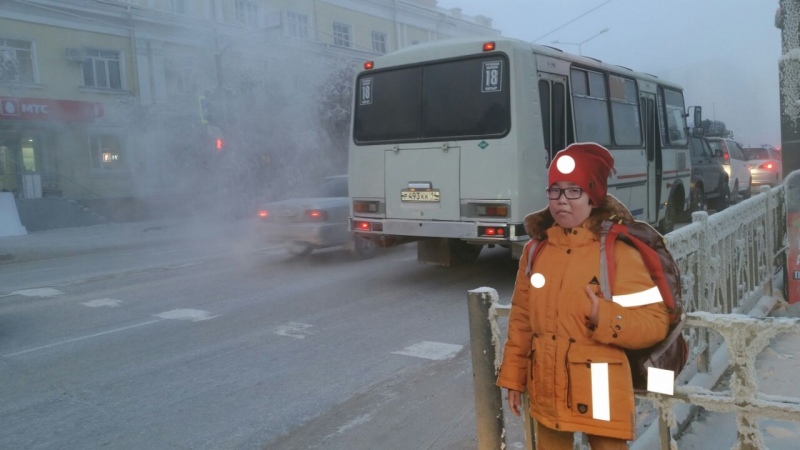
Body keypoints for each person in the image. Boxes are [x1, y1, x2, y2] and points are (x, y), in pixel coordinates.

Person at [496, 143, 670, 449]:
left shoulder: (617, 253)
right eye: (555, 191)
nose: (562, 201)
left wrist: (605, 316)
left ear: (594, 197)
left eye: (574, 191)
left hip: (601, 384)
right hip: (546, 383)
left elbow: (655, 322)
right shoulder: (535, 251)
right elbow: (522, 318)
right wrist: (513, 376)